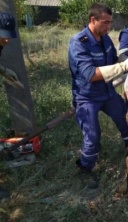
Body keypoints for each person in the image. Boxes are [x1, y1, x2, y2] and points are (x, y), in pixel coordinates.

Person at [68, 3, 128, 189]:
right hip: (86, 97)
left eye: (110, 23)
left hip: (108, 93)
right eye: (106, 22)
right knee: (93, 137)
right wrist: (122, 67)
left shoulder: (105, 39)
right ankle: (85, 168)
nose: (109, 26)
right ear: (93, 20)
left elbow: (113, 61)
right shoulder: (79, 42)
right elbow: (91, 75)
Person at [0, 12, 18, 201]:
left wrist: (4, 71)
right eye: (2, 33)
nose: (6, 38)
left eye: (8, 34)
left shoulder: (1, 42)